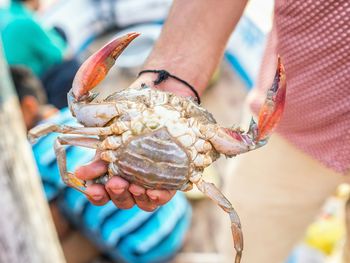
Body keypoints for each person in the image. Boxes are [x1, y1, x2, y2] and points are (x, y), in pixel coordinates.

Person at [75, 0, 350, 262]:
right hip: (295, 129)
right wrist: (173, 71)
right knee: (253, 238)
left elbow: (78, 106)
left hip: (296, 120)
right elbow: (253, 140)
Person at [11, 66, 191, 263]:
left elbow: (53, 226)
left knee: (53, 219)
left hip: (143, 251)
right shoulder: (75, 116)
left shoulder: (32, 156)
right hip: (179, 218)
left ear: (28, 107)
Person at [0, 0, 80, 109]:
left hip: (10, 89)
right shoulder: (25, 21)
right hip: (28, 90)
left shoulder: (5, 14)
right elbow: (61, 54)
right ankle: (62, 112)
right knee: (71, 67)